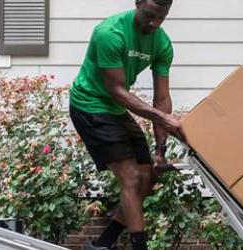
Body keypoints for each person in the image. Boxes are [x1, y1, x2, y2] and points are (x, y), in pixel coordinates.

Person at [67, 0, 183, 249]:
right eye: (150, 15)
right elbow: (117, 90)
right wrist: (162, 119)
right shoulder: (110, 33)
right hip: (90, 104)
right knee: (130, 178)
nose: (154, 24)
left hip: (115, 109)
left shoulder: (162, 43)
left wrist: (160, 149)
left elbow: (162, 98)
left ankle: (103, 243)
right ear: (138, 3)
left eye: (161, 18)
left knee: (148, 175)